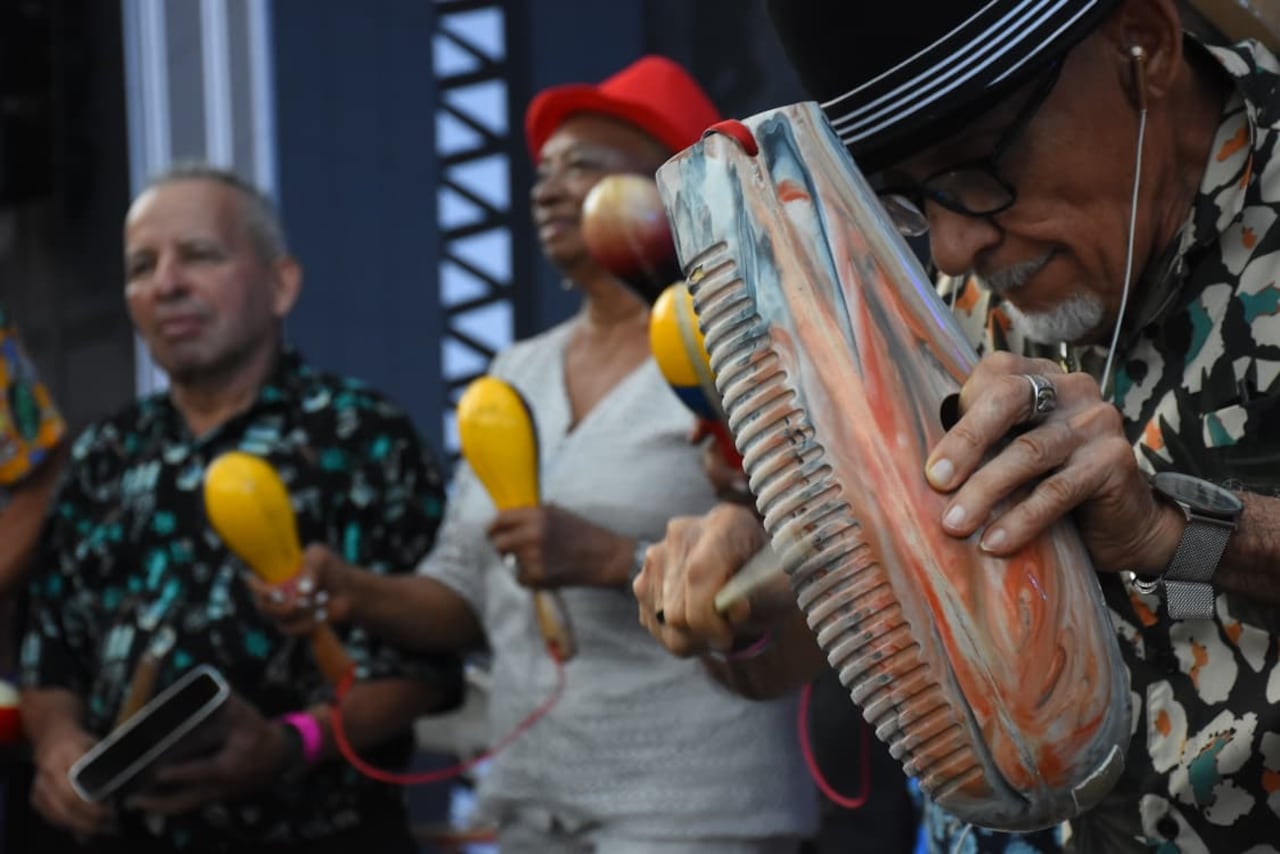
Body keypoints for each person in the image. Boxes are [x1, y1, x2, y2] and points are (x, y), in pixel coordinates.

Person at [636, 0, 1280, 851]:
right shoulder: (951, 292)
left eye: (980, 165)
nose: (950, 247)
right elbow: (924, 636)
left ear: (1143, 47)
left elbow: (1183, 577)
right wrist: (759, 595)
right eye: (903, 198)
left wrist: (1171, 530)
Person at [255, 55, 818, 853]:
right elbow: (464, 591)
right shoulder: (513, 372)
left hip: (697, 813)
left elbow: (810, 567)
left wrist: (608, 558)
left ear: (669, 182)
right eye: (542, 172)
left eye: (581, 167)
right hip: (529, 809)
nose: (545, 187)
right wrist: (351, 590)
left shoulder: (738, 348)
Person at [17, 164, 462, 854]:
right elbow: (51, 657)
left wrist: (289, 745)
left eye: (199, 255)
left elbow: (424, 669)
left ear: (281, 284)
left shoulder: (358, 433)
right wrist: (58, 747)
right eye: (142, 266)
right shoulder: (107, 451)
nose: (167, 284)